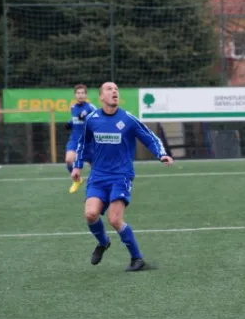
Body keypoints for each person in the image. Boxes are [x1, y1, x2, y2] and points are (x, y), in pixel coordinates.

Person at [72, 82, 173, 271]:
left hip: (121, 176)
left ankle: (137, 259)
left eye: (116, 89)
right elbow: (82, 144)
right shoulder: (92, 119)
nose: (114, 92)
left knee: (114, 219)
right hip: (98, 176)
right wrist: (77, 166)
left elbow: (150, 137)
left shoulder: (127, 119)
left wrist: (161, 154)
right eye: (109, 89)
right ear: (101, 97)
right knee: (90, 214)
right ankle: (103, 242)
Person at [65, 84, 97, 193]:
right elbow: (75, 120)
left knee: (96, 167)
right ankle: (77, 180)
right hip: (75, 140)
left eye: (82, 93)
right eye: (78, 93)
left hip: (88, 142)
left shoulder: (90, 107)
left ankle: (97, 188)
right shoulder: (73, 108)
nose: (80, 95)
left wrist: (87, 118)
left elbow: (98, 119)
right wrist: (69, 123)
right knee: (69, 160)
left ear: (86, 95)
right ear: (75, 95)